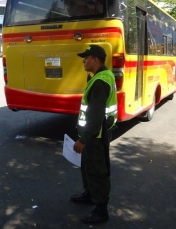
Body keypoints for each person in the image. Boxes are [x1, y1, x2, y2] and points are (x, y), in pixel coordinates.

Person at [71, 44, 117, 224]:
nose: (84, 61)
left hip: (95, 136)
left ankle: (101, 210)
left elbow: (96, 115)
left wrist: (84, 139)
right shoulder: (101, 76)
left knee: (98, 172)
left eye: (86, 57)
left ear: (95, 60)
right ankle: (90, 194)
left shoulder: (100, 81)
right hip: (95, 134)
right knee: (89, 168)